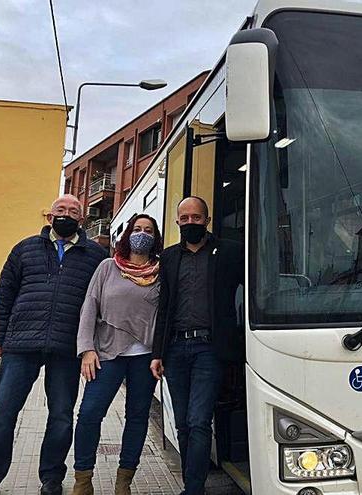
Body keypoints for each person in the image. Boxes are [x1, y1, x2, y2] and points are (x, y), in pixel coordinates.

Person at [0, 195, 108, 495]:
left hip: (66, 348)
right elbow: (4, 294)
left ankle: (51, 478)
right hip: (20, 344)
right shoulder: (24, 249)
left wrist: (90, 346)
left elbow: (100, 304)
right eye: (61, 210)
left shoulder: (95, 256)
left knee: (61, 416)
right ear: (49, 216)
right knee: (1, 413)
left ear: (82, 219)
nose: (66, 215)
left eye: (73, 211)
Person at [150, 196, 243, 495]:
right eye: (185, 218)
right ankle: (194, 485)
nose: (191, 223)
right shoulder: (168, 257)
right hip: (175, 349)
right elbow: (163, 307)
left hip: (208, 349)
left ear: (207, 220)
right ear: (178, 221)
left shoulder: (229, 252)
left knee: (199, 420)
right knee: (183, 424)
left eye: (196, 218)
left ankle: (193, 489)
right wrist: (157, 353)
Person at [71, 214, 163, 495]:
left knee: (137, 418)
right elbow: (90, 306)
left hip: (145, 357)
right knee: (89, 414)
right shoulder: (107, 267)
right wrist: (86, 348)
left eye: (148, 230)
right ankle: (83, 481)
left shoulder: (162, 271)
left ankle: (124, 482)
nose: (142, 234)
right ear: (128, 234)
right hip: (106, 353)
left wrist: (162, 354)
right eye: (137, 229)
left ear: (155, 237)